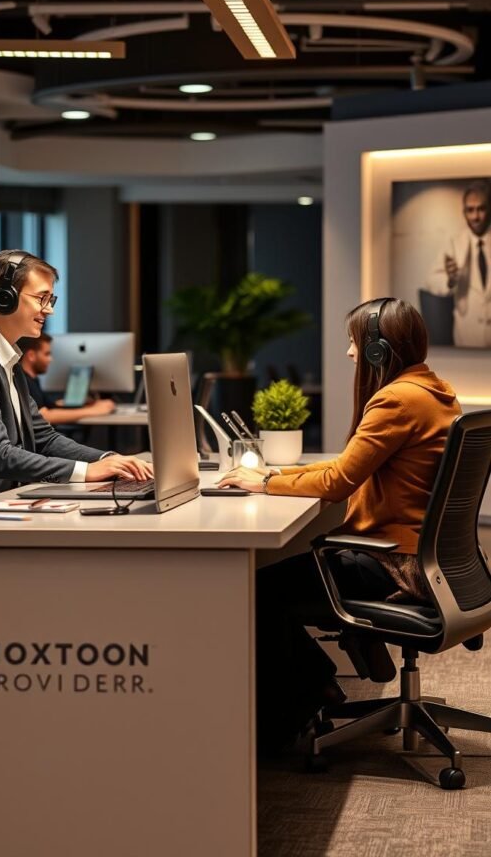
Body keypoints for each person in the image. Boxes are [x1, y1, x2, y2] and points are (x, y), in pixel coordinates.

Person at [218, 298, 461, 753]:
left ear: (377, 351)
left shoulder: (396, 399)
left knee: (253, 593)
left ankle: (301, 706)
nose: (349, 353)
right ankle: (323, 683)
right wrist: (272, 477)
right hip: (427, 563)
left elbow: (338, 480)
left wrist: (266, 483)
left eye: (354, 343)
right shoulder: (433, 390)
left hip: (392, 566)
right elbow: (347, 466)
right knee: (280, 581)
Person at [0, 250, 152, 513]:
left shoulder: (7, 358)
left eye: (51, 299)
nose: (48, 309)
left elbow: (43, 437)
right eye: (42, 298)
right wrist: (86, 471)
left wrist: (109, 459)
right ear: (4, 298)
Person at [426, 179, 491, 347]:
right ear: (464, 213)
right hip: (466, 337)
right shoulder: (454, 242)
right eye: (470, 210)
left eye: (481, 209)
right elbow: (431, 280)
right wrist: (450, 280)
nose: (476, 216)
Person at [18, 332, 116, 425]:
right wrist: (95, 411)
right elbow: (44, 416)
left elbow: (52, 406)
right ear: (31, 355)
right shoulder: (23, 381)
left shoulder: (33, 380)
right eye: (47, 354)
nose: (50, 359)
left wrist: (88, 404)